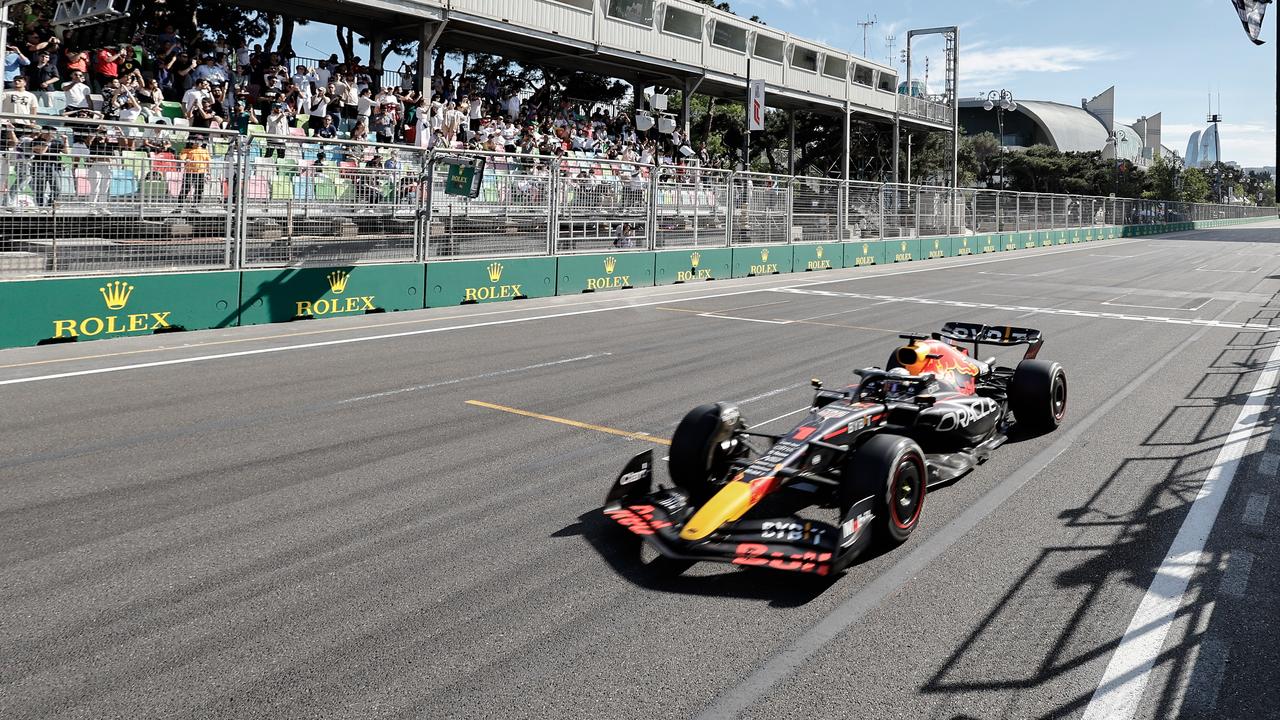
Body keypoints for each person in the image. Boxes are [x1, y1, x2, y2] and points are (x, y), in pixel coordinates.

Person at [178, 138, 211, 206]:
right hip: (189, 172)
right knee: (185, 189)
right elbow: (182, 157)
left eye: (200, 140)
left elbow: (208, 162)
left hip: (201, 173)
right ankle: (180, 206)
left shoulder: (205, 150)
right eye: (196, 140)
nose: (198, 142)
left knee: (199, 190)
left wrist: (208, 173)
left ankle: (195, 206)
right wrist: (187, 159)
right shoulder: (187, 149)